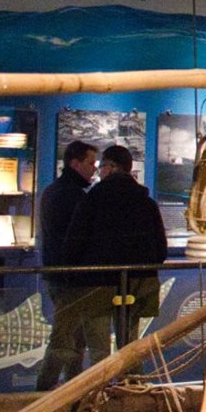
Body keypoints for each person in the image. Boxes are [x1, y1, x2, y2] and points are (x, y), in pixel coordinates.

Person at [63, 144, 167, 352]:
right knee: (130, 350)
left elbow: (73, 244)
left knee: (99, 351)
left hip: (96, 283)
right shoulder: (146, 203)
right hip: (135, 283)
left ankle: (102, 376)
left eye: (101, 166)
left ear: (111, 168)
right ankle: (130, 374)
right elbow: (160, 250)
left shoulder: (91, 201)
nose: (98, 171)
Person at [34, 140, 101, 389]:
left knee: (73, 338)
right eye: (90, 163)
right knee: (65, 339)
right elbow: (78, 239)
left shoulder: (53, 191)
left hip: (59, 274)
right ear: (75, 163)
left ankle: (71, 389)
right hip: (71, 279)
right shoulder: (74, 196)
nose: (94, 168)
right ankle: (44, 393)